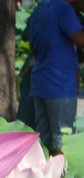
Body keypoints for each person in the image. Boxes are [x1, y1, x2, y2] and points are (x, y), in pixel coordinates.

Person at [28, 0, 84, 155]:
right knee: (63, 142)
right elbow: (81, 40)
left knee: (43, 143)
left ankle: (45, 176)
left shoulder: (38, 9)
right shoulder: (63, 8)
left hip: (40, 82)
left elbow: (30, 42)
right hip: (60, 85)